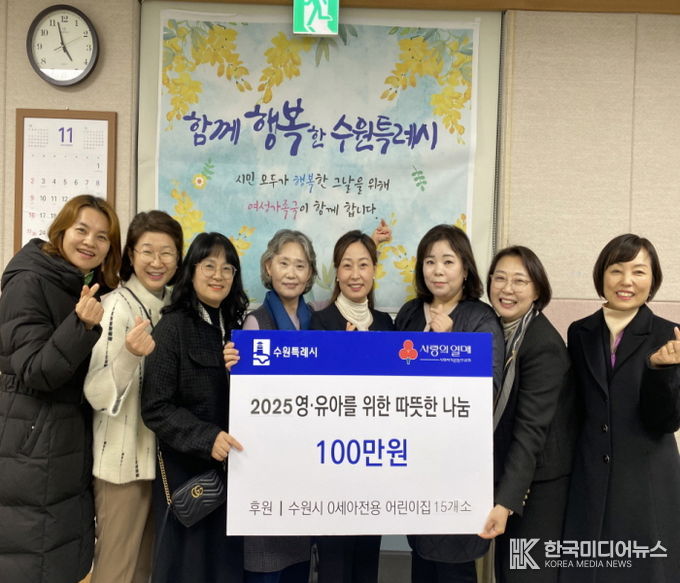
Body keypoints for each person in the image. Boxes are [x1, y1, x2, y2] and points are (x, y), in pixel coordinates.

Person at [0, 195, 121, 583]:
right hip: (31, 442)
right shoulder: (29, 281)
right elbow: (35, 371)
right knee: (31, 556)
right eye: (81, 230)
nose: (90, 242)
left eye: (102, 237)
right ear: (61, 230)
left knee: (58, 554)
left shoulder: (79, 285)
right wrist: (80, 326)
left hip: (63, 441)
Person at [561, 234, 680, 583]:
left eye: (638, 272)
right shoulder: (579, 332)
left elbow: (667, 421)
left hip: (646, 481)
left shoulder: (667, 335)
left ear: (652, 280)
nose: (626, 281)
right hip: (589, 478)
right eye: (616, 270)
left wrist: (661, 371)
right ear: (602, 276)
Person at [394, 224, 504, 583]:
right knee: (421, 560)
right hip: (414, 458)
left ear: (465, 268)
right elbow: (389, 379)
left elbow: (487, 393)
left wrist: (449, 346)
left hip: (457, 464)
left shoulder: (481, 318)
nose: (437, 270)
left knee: (454, 565)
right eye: (430, 261)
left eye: (448, 261)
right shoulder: (410, 313)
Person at [141, 232, 248, 583]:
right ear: (192, 271)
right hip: (187, 474)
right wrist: (207, 438)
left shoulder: (236, 327)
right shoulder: (173, 327)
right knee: (188, 568)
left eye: (227, 268)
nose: (219, 275)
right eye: (209, 266)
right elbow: (155, 407)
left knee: (224, 567)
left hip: (233, 472)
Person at [84, 210, 183, 583]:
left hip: (163, 464)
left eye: (167, 252)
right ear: (130, 254)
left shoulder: (176, 306)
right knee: (117, 571)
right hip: (122, 467)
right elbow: (95, 393)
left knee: (147, 570)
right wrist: (128, 354)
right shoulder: (115, 306)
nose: (157, 262)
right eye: (147, 251)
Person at [478, 246, 577, 583]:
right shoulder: (497, 332)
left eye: (519, 281)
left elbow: (531, 431)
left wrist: (505, 501)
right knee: (507, 572)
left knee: (526, 574)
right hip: (513, 476)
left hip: (540, 486)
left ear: (537, 291)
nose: (507, 289)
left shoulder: (541, 344)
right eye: (500, 278)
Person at [310, 229, 394, 583]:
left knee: (366, 563)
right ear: (336, 272)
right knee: (334, 563)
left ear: (374, 270)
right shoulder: (319, 323)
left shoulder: (387, 325)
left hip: (375, 464)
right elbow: (310, 397)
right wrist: (343, 356)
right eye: (347, 265)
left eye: (363, 265)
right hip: (332, 464)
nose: (355, 274)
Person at [241, 229, 319, 582]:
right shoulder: (256, 322)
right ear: (268, 267)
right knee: (266, 565)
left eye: (300, 265)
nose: (291, 273)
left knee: (298, 566)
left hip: (306, 462)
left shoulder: (317, 322)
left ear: (310, 273)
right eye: (283, 263)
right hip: (267, 465)